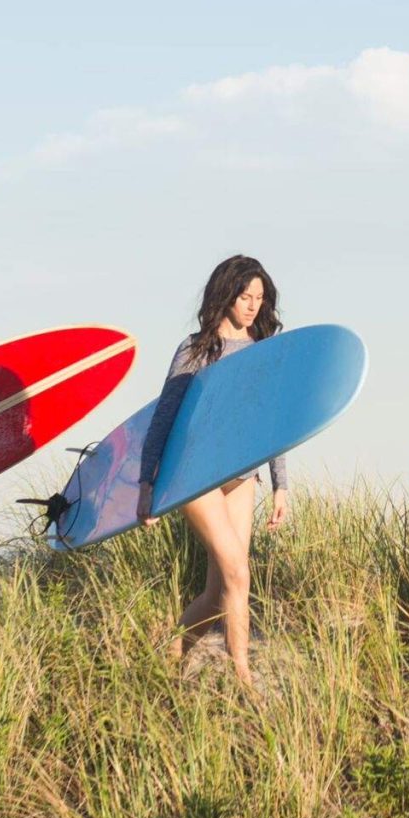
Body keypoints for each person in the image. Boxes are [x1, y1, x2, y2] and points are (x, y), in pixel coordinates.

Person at [137, 254, 288, 682]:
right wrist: (147, 484)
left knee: (220, 590)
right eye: (245, 296)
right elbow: (164, 418)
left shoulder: (262, 351)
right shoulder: (197, 349)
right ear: (226, 294)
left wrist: (281, 484)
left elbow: (272, 423)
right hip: (197, 475)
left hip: (243, 475)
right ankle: (243, 677)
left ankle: (169, 655)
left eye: (259, 298)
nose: (253, 305)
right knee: (238, 573)